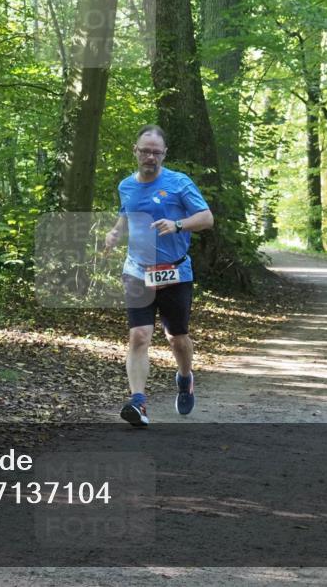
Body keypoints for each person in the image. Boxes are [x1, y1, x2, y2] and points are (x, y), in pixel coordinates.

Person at [103, 125, 214, 427]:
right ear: (135, 151)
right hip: (137, 271)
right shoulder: (126, 185)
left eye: (156, 152)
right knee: (139, 335)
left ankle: (185, 377)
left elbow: (206, 218)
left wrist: (178, 224)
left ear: (164, 154)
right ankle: (138, 402)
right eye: (145, 150)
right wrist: (115, 231)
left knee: (176, 337)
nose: (150, 156)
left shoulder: (179, 183)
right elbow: (127, 214)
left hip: (174, 271)